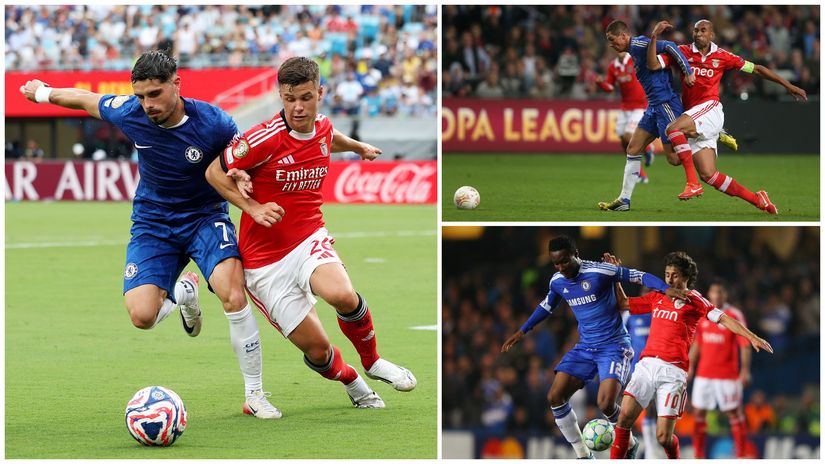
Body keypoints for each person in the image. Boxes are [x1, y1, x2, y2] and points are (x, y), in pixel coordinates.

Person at [19, 50, 281, 419]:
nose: (147, 105)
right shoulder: (130, 111)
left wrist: (240, 174)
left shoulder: (215, 123)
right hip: (153, 222)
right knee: (141, 316)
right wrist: (43, 93)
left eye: (155, 94)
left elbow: (240, 159)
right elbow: (83, 99)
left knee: (233, 293)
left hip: (205, 217)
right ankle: (179, 299)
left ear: (177, 84)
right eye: (140, 95)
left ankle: (255, 394)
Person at [205, 56, 416, 411]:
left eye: (305, 97)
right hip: (264, 261)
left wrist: (358, 147)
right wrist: (253, 208)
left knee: (342, 294)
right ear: (280, 96)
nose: (297, 107)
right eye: (289, 99)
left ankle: (374, 361)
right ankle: (352, 379)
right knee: (318, 351)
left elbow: (327, 136)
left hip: (308, 237)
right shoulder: (262, 139)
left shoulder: (321, 125)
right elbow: (214, 172)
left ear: (321, 92)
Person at [500, 235, 689, 459]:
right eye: (556, 263)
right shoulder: (557, 281)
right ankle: (583, 455)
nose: (561, 267)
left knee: (606, 404)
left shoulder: (600, 272)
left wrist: (663, 288)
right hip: (585, 347)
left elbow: (639, 276)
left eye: (565, 261)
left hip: (614, 346)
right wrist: (523, 330)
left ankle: (627, 441)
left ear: (576, 254)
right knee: (555, 396)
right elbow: (547, 306)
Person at [607, 251, 773, 459]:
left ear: (685, 277)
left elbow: (723, 318)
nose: (669, 279)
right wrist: (614, 277)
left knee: (663, 438)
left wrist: (751, 336)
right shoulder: (657, 296)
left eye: (674, 274)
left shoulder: (695, 300)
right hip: (646, 365)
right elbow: (623, 303)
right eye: (667, 274)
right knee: (623, 420)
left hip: (673, 372)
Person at [647, 19, 807, 214]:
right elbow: (654, 64)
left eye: (703, 30)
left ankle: (692, 183)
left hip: (710, 108)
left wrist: (788, 85)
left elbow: (756, 69)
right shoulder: (682, 52)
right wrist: (654, 36)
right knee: (704, 173)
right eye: (696, 30)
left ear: (712, 34)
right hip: (693, 115)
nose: (698, 33)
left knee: (673, 129)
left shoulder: (723, 56)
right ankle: (758, 199)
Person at [598, 20, 695, 212]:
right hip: (653, 107)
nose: (611, 44)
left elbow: (669, 46)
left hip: (666, 103)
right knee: (633, 148)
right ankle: (624, 200)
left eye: (612, 39)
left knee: (674, 159)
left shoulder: (640, 44)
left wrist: (688, 71)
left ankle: (706, 133)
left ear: (623, 36)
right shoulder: (632, 52)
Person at [688, 279, 753, 458]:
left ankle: (741, 455)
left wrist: (745, 370)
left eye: (720, 292)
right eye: (714, 292)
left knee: (734, 413)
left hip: (728, 375)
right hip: (704, 374)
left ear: (725, 294)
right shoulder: (703, 314)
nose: (717, 295)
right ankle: (698, 455)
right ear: (709, 294)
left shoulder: (734, 315)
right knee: (699, 412)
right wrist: (690, 365)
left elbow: (744, 344)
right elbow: (697, 344)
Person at [595, 51, 656, 183]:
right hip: (625, 107)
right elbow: (610, 87)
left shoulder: (635, 59)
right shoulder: (613, 66)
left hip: (640, 105)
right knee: (623, 141)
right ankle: (639, 173)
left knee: (629, 136)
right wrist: (601, 83)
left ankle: (647, 148)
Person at [623, 309, 662, 458]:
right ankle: (649, 450)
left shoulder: (658, 313)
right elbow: (622, 337)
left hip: (657, 366)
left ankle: (652, 450)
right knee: (642, 409)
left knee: (656, 410)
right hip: (637, 369)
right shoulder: (630, 315)